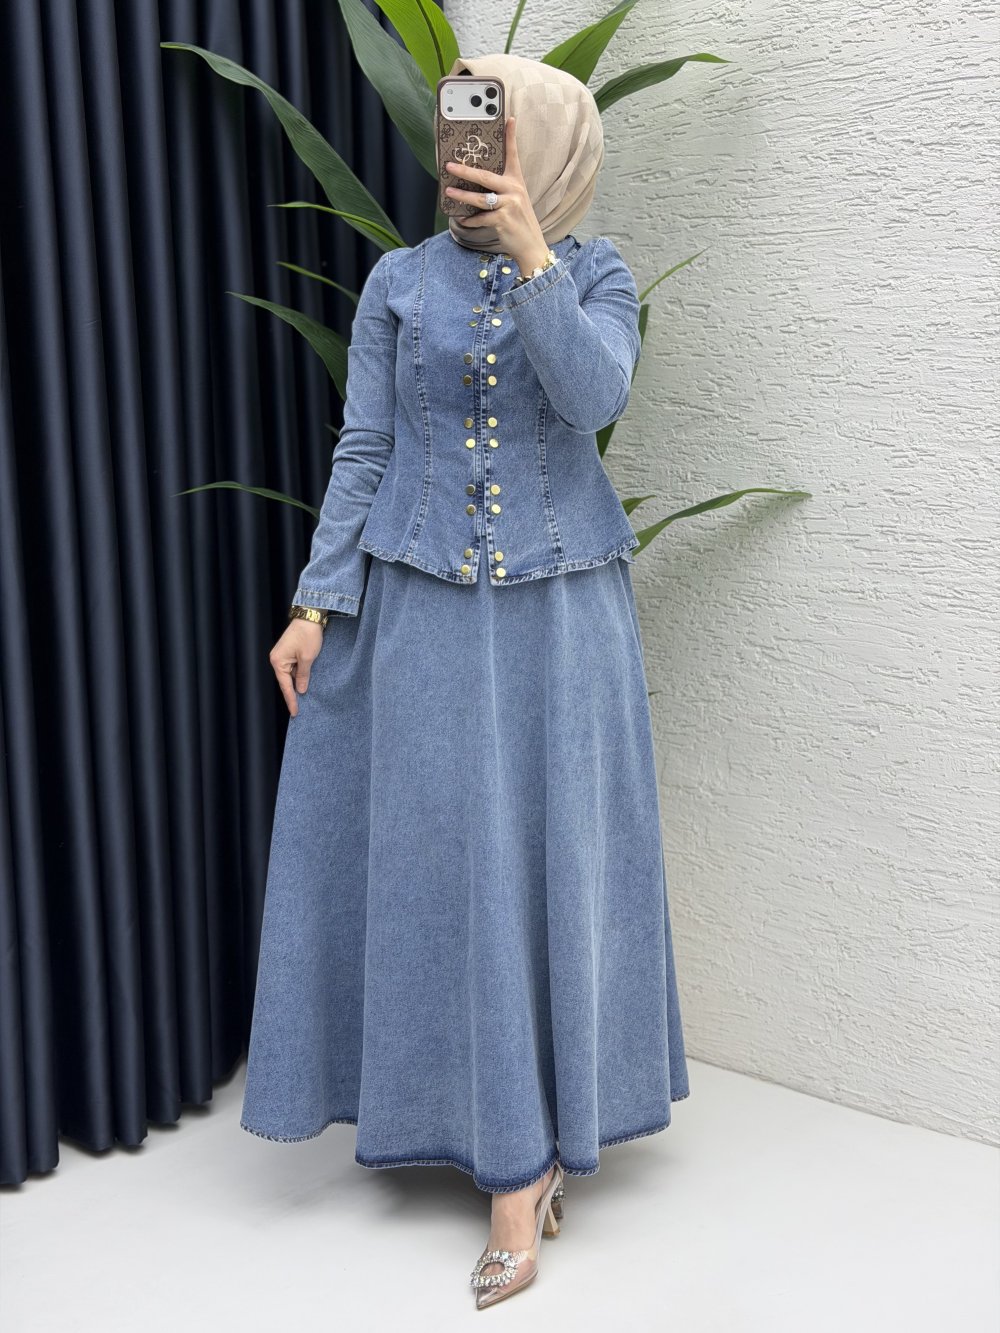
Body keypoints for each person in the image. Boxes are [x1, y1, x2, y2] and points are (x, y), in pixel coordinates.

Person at [239, 52, 690, 1309]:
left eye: (490, 133)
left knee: (543, 862)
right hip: (420, 610)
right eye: (454, 130)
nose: (461, 154)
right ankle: (466, 1117)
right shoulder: (397, 281)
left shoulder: (596, 274)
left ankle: (524, 1168)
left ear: (547, 152)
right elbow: (366, 446)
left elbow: (592, 395)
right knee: (443, 866)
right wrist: (315, 600)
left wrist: (534, 253)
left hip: (559, 622)